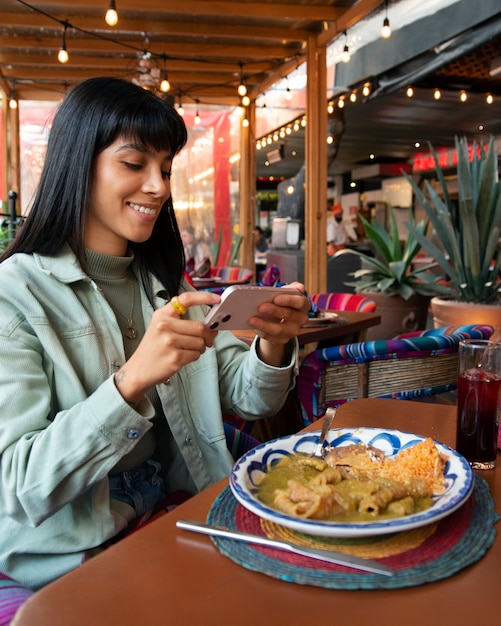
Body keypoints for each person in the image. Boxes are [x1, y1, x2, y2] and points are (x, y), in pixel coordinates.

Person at [0, 76, 310, 590]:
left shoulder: (166, 285)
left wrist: (273, 341)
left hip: (173, 508)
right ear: (79, 162)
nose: (159, 186)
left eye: (165, 169)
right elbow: (17, 485)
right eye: (133, 163)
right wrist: (130, 382)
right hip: (72, 549)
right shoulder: (16, 293)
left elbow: (249, 397)